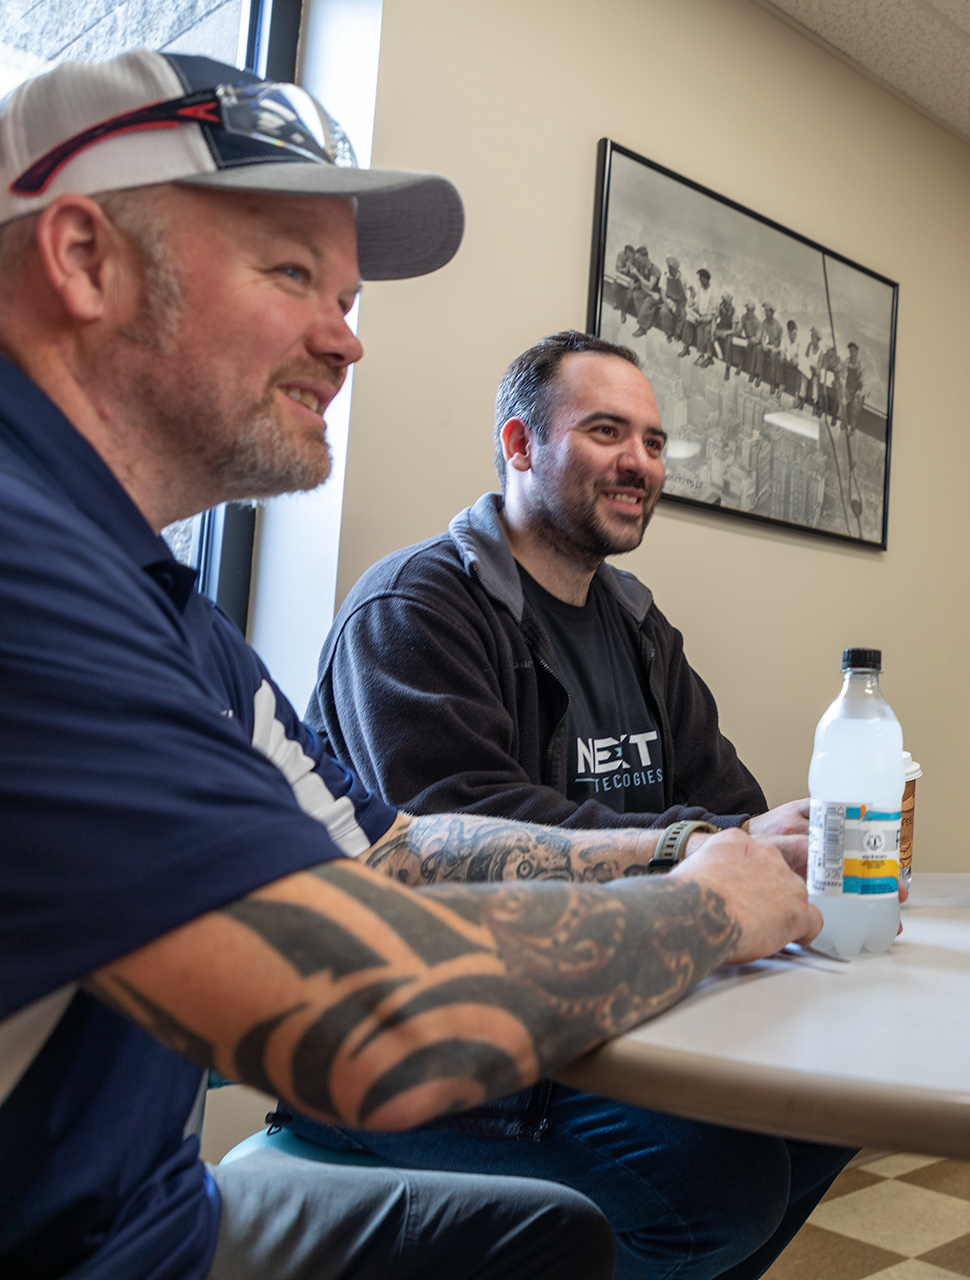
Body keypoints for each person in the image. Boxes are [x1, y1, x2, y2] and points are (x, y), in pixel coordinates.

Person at [0, 51, 819, 1280]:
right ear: (81, 258)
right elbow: (372, 1017)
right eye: (292, 273)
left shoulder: (160, 602)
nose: (347, 342)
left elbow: (393, 849)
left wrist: (674, 846)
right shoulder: (27, 567)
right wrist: (709, 905)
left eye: (346, 294)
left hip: (146, 1209)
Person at [300, 327, 845, 1280]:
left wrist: (774, 850)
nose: (640, 462)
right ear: (518, 446)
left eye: (655, 441)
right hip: (433, 1033)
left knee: (835, 1103)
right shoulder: (411, 612)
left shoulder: (637, 622)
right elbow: (452, 838)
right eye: (606, 432)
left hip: (602, 1004)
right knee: (717, 1186)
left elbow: (729, 804)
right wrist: (695, 847)